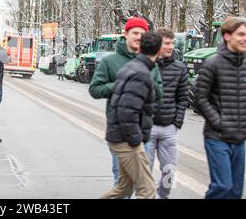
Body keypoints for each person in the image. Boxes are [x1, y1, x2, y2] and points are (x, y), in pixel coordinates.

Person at [89, 18, 163, 186]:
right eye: (135, 33)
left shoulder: (151, 63)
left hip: (144, 131)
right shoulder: (110, 61)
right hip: (120, 131)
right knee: (123, 183)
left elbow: (159, 92)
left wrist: (145, 86)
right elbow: (95, 89)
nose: (138, 37)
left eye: (142, 34)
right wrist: (122, 85)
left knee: (143, 181)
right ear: (125, 34)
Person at [195, 18, 246, 199]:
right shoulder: (212, 64)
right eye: (241, 34)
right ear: (227, 36)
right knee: (222, 186)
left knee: (235, 192)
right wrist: (219, 122)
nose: (244, 39)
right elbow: (200, 98)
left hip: (240, 139)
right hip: (218, 137)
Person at [146, 28, 189, 199]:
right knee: (145, 170)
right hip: (147, 128)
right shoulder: (146, 66)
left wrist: (177, 122)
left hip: (169, 128)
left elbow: (183, 98)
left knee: (169, 170)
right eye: (166, 43)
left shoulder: (180, 68)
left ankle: (163, 195)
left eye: (172, 43)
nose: (170, 47)